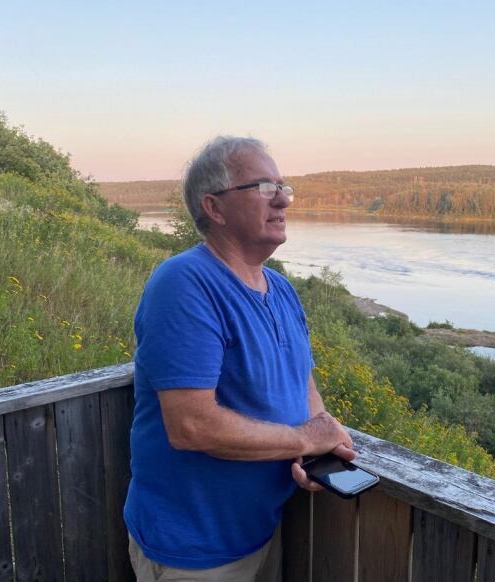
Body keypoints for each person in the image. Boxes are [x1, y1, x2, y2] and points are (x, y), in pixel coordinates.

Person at [124, 136, 355, 581]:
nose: (284, 199)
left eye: (284, 187)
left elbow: (302, 387)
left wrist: (322, 443)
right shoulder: (184, 283)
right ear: (215, 207)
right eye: (265, 187)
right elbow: (191, 426)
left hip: (262, 529)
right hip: (193, 549)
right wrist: (305, 440)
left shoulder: (281, 289)